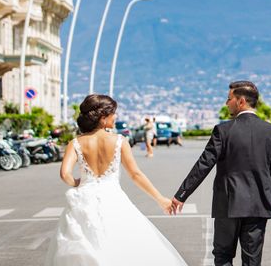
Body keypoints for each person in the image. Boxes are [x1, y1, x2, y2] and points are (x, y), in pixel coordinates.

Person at [46, 94, 186, 265]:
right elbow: (136, 174)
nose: (116, 116)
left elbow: (64, 174)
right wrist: (160, 199)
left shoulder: (75, 143)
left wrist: (77, 183)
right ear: (103, 118)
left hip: (84, 199)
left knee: (84, 247)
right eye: (113, 113)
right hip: (113, 199)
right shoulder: (119, 141)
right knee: (122, 245)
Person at [171, 81, 271, 266]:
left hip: (228, 204)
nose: (227, 103)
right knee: (252, 260)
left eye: (229, 98)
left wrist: (181, 194)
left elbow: (204, 164)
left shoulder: (223, 131)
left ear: (241, 101)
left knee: (223, 256)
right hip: (259, 205)